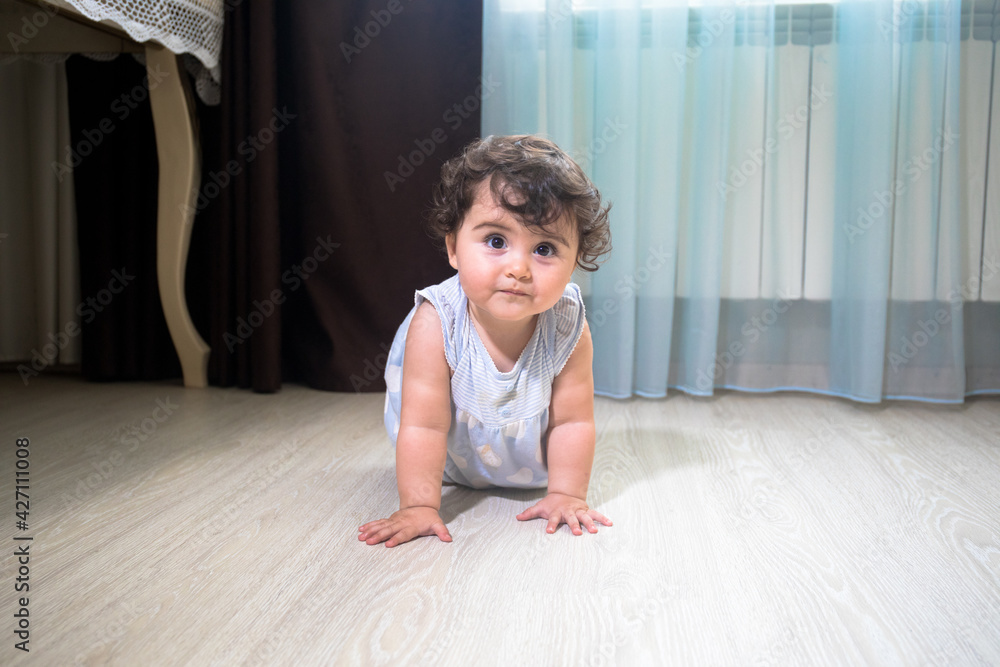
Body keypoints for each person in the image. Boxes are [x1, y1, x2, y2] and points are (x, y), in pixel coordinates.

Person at [359, 135, 613, 548]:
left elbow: (573, 421)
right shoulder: (437, 321)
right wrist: (420, 505)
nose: (519, 268)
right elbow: (423, 424)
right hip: (450, 465)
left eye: (544, 248)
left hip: (535, 469)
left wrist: (566, 494)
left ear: (574, 266)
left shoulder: (568, 325)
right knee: (423, 425)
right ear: (453, 248)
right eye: (497, 241)